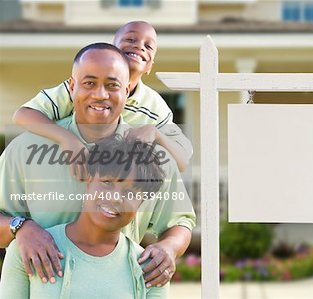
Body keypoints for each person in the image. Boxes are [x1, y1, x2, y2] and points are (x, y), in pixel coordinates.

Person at [0, 43, 195, 289]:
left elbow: (180, 222)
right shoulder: (25, 150)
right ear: (72, 87)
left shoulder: (152, 157)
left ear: (127, 90)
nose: (101, 95)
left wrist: (169, 248)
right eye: (89, 83)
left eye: (112, 85)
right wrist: (21, 228)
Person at [0, 136, 170, 299]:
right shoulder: (29, 250)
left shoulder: (151, 268)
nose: (115, 198)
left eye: (130, 192)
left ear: (141, 203)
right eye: (107, 182)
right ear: (88, 182)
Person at [13, 20, 192, 174]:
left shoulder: (154, 106)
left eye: (148, 46)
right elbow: (23, 115)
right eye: (130, 39)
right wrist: (67, 139)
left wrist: (156, 134)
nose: (139, 46)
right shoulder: (80, 89)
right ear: (112, 49)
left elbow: (182, 162)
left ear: (150, 66)